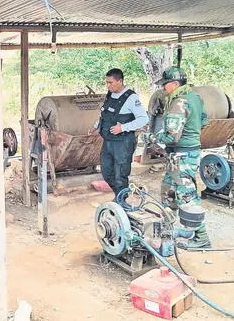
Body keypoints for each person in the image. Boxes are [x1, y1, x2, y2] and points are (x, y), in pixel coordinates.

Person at [152, 66, 210, 249]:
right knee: (169, 189)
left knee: (186, 195)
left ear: (175, 84)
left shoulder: (179, 102)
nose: (163, 88)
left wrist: (151, 138)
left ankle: (201, 238)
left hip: (182, 155)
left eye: (165, 85)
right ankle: (168, 228)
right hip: (184, 153)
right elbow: (204, 121)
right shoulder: (195, 97)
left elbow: (171, 136)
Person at [89, 68, 149, 198]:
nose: (108, 85)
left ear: (120, 81)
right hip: (108, 141)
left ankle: (121, 201)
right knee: (106, 171)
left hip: (123, 142)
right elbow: (105, 115)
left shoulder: (131, 98)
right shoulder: (110, 94)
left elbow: (144, 119)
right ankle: (121, 194)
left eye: (110, 82)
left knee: (120, 175)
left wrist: (123, 127)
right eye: (107, 82)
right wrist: (96, 126)